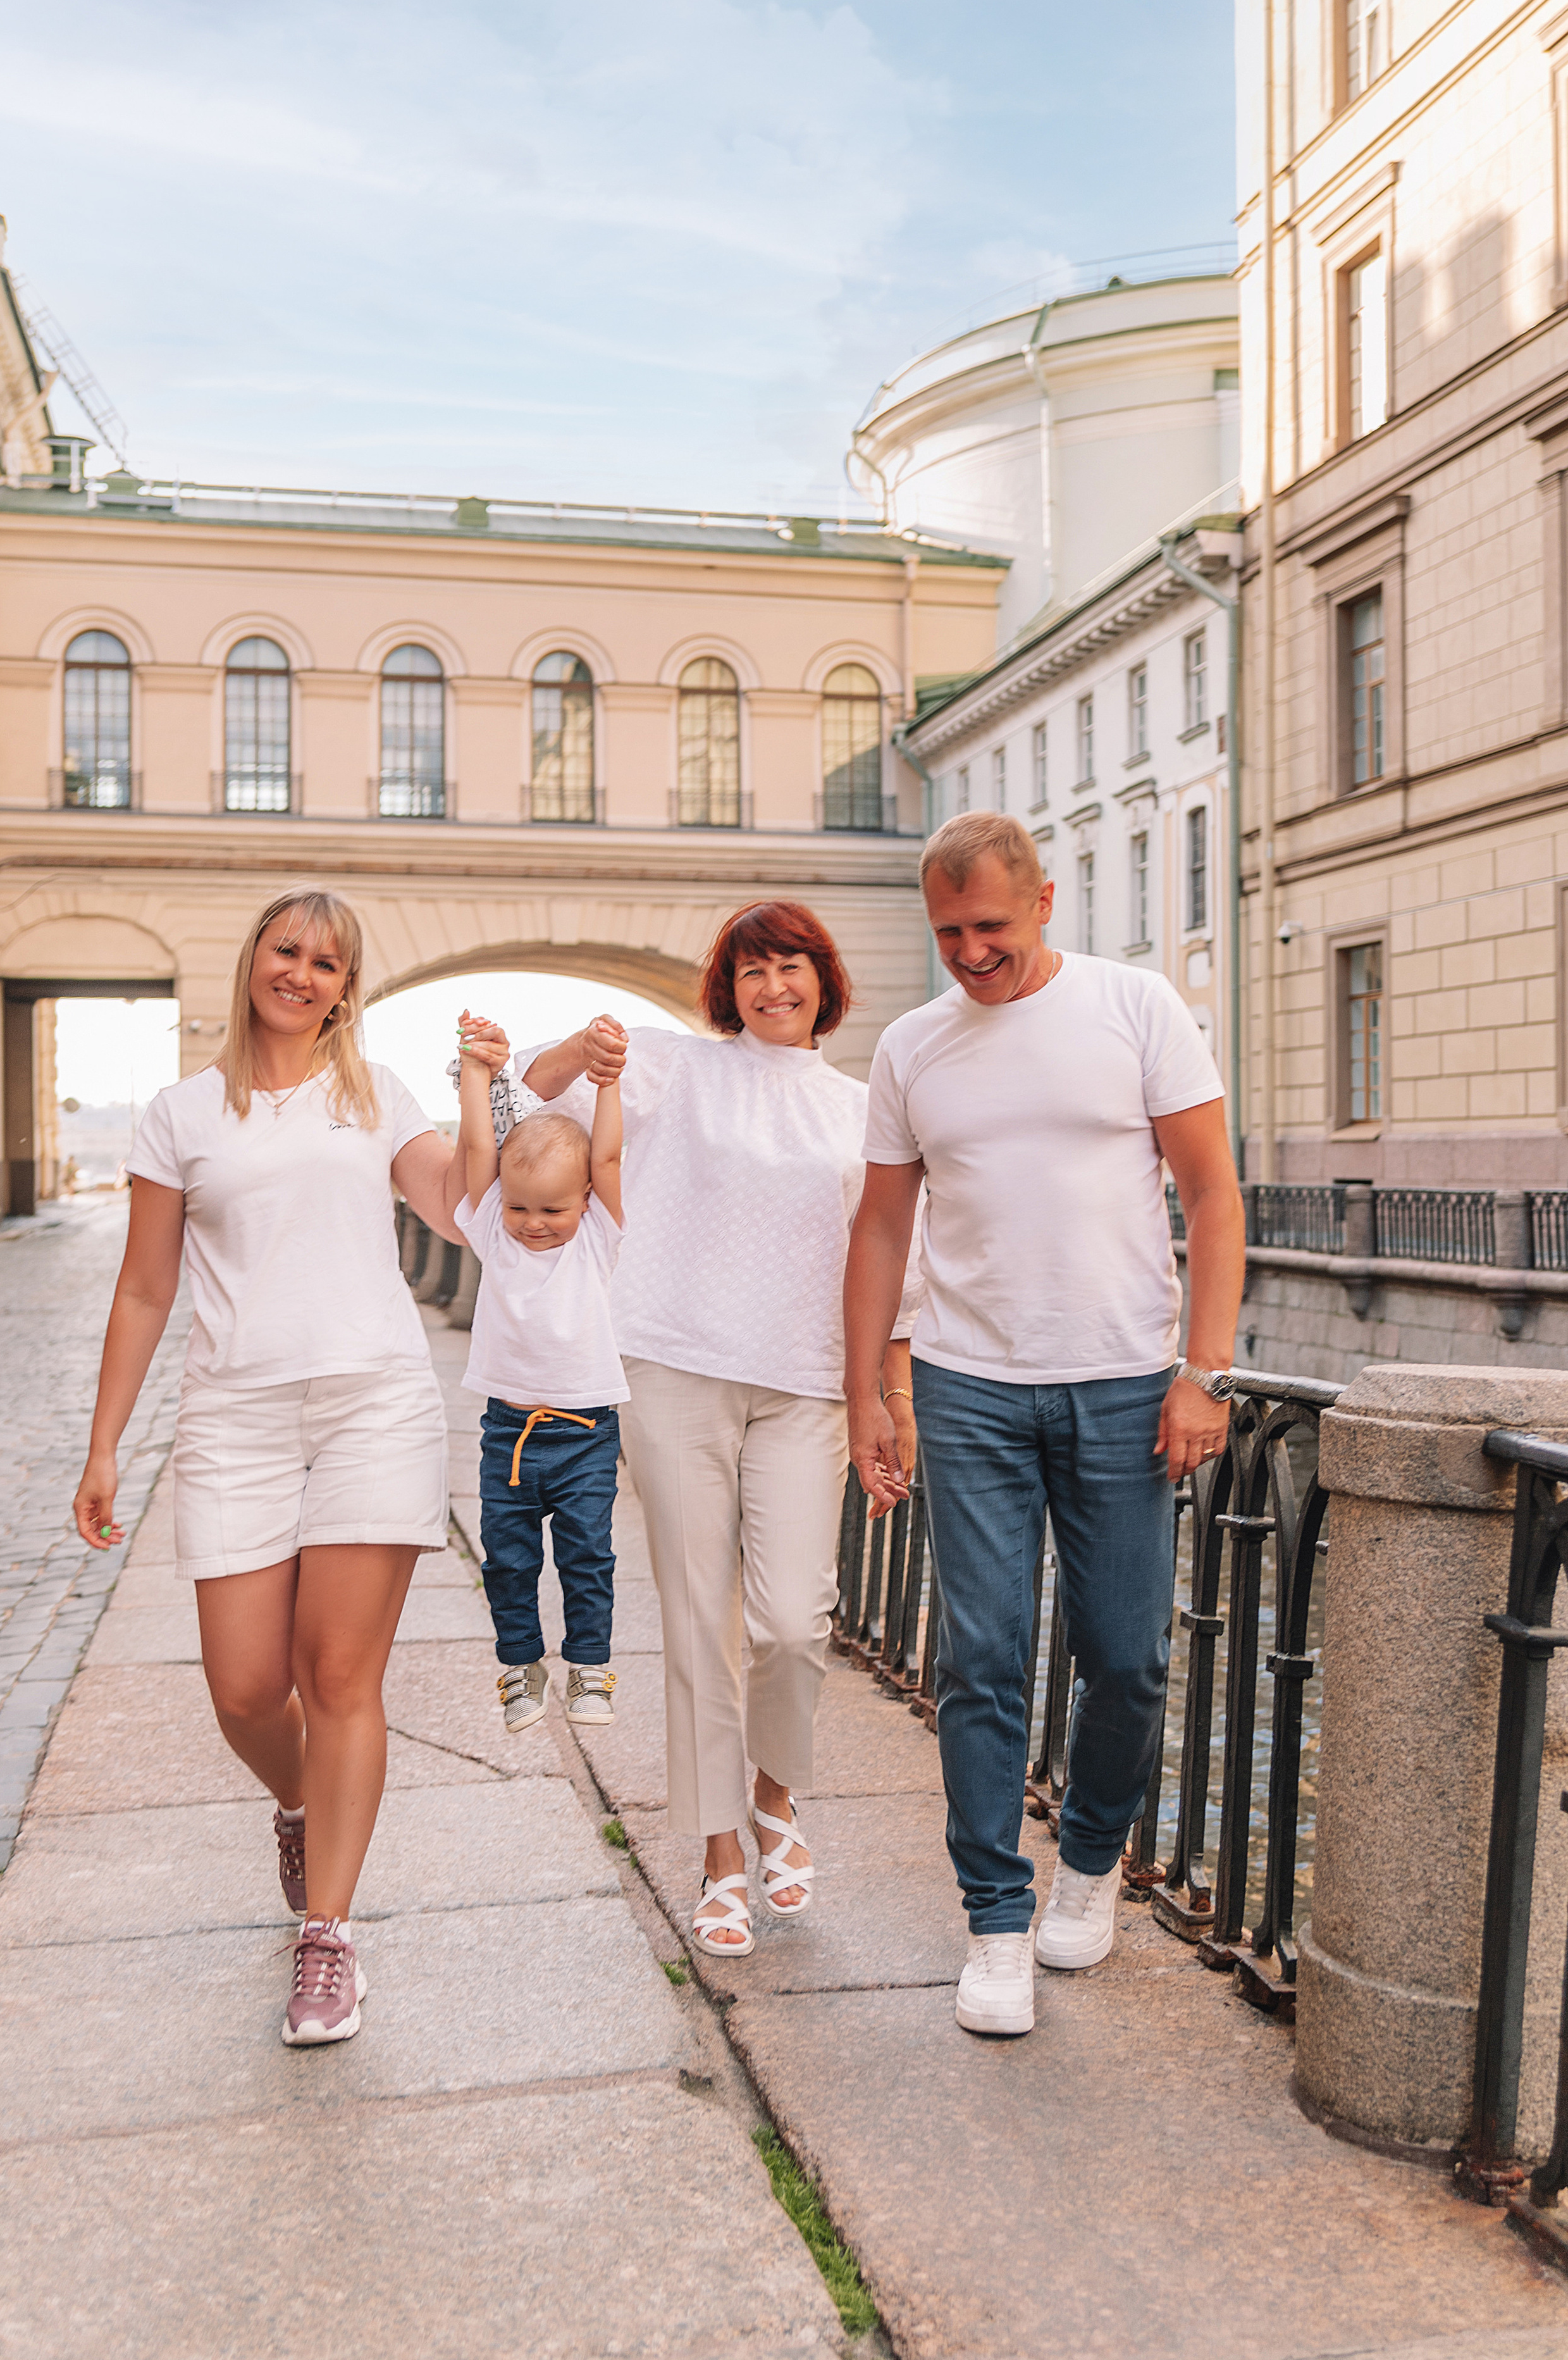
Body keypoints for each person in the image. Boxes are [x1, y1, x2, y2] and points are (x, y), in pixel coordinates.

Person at [844, 812, 1245, 2038]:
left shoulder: (1133, 1009)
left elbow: (1212, 1194)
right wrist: (868, 1389)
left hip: (1125, 1381)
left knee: (1125, 1655)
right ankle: (993, 1922)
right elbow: (876, 1229)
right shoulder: (910, 1048)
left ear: (1045, 904)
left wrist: (1204, 1373)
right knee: (980, 1660)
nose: (970, 952)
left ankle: (1086, 1863)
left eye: (991, 928)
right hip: (966, 1387)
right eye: (948, 932)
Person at [71, 886, 481, 2047]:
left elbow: (458, 1210)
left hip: (372, 1405)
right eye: (287, 950)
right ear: (256, 958)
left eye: (327, 962)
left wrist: (487, 1090)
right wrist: (104, 1443)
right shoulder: (179, 1114)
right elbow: (148, 1285)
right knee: (248, 1689)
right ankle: (299, 1800)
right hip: (236, 1417)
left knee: (339, 1672)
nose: (301, 973)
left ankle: (330, 1940)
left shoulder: (376, 1095)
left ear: (348, 987)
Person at [521, 902, 919, 1958]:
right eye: (750, 970)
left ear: (822, 981)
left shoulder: (858, 1108)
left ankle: (776, 1798)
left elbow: (894, 1261)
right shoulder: (669, 1068)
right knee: (700, 1623)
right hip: (673, 1369)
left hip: (808, 1387)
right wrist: (578, 1045)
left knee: (791, 1621)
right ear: (727, 986)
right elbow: (532, 1096)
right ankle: (718, 1854)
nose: (770, 987)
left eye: (790, 967)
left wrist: (894, 1397)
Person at [453, 1009, 627, 1733]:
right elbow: (474, 1146)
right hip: (511, 1431)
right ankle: (520, 1666)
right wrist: (473, 1071)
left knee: (587, 1556)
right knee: (508, 1558)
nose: (533, 1222)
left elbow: (609, 1158)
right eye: (520, 1205)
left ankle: (590, 1668)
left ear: (584, 1200)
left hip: (587, 1428)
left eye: (553, 1207)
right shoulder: (494, 1228)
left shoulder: (596, 1239)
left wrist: (606, 1083)